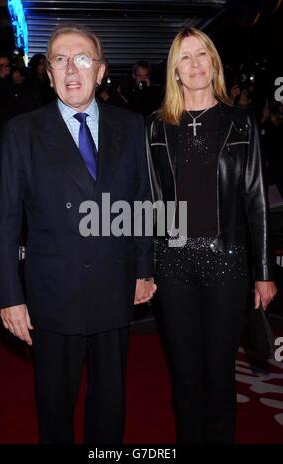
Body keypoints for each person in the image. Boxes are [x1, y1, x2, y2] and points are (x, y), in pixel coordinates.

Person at [0, 24, 156, 444]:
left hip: (113, 288)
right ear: (48, 74)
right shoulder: (22, 131)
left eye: (82, 58)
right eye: (60, 59)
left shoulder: (131, 125)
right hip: (52, 296)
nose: (71, 69)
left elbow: (141, 202)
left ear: (101, 71)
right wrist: (10, 296)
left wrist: (144, 268)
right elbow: (6, 221)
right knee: (54, 405)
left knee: (110, 403)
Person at [146, 27, 276, 444]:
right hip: (174, 263)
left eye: (202, 54)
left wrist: (263, 271)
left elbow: (256, 199)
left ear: (214, 63)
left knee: (220, 377)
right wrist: (145, 267)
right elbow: (150, 200)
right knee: (185, 375)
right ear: (175, 71)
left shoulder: (241, 122)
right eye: (185, 57)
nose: (195, 64)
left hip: (228, 261)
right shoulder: (156, 127)